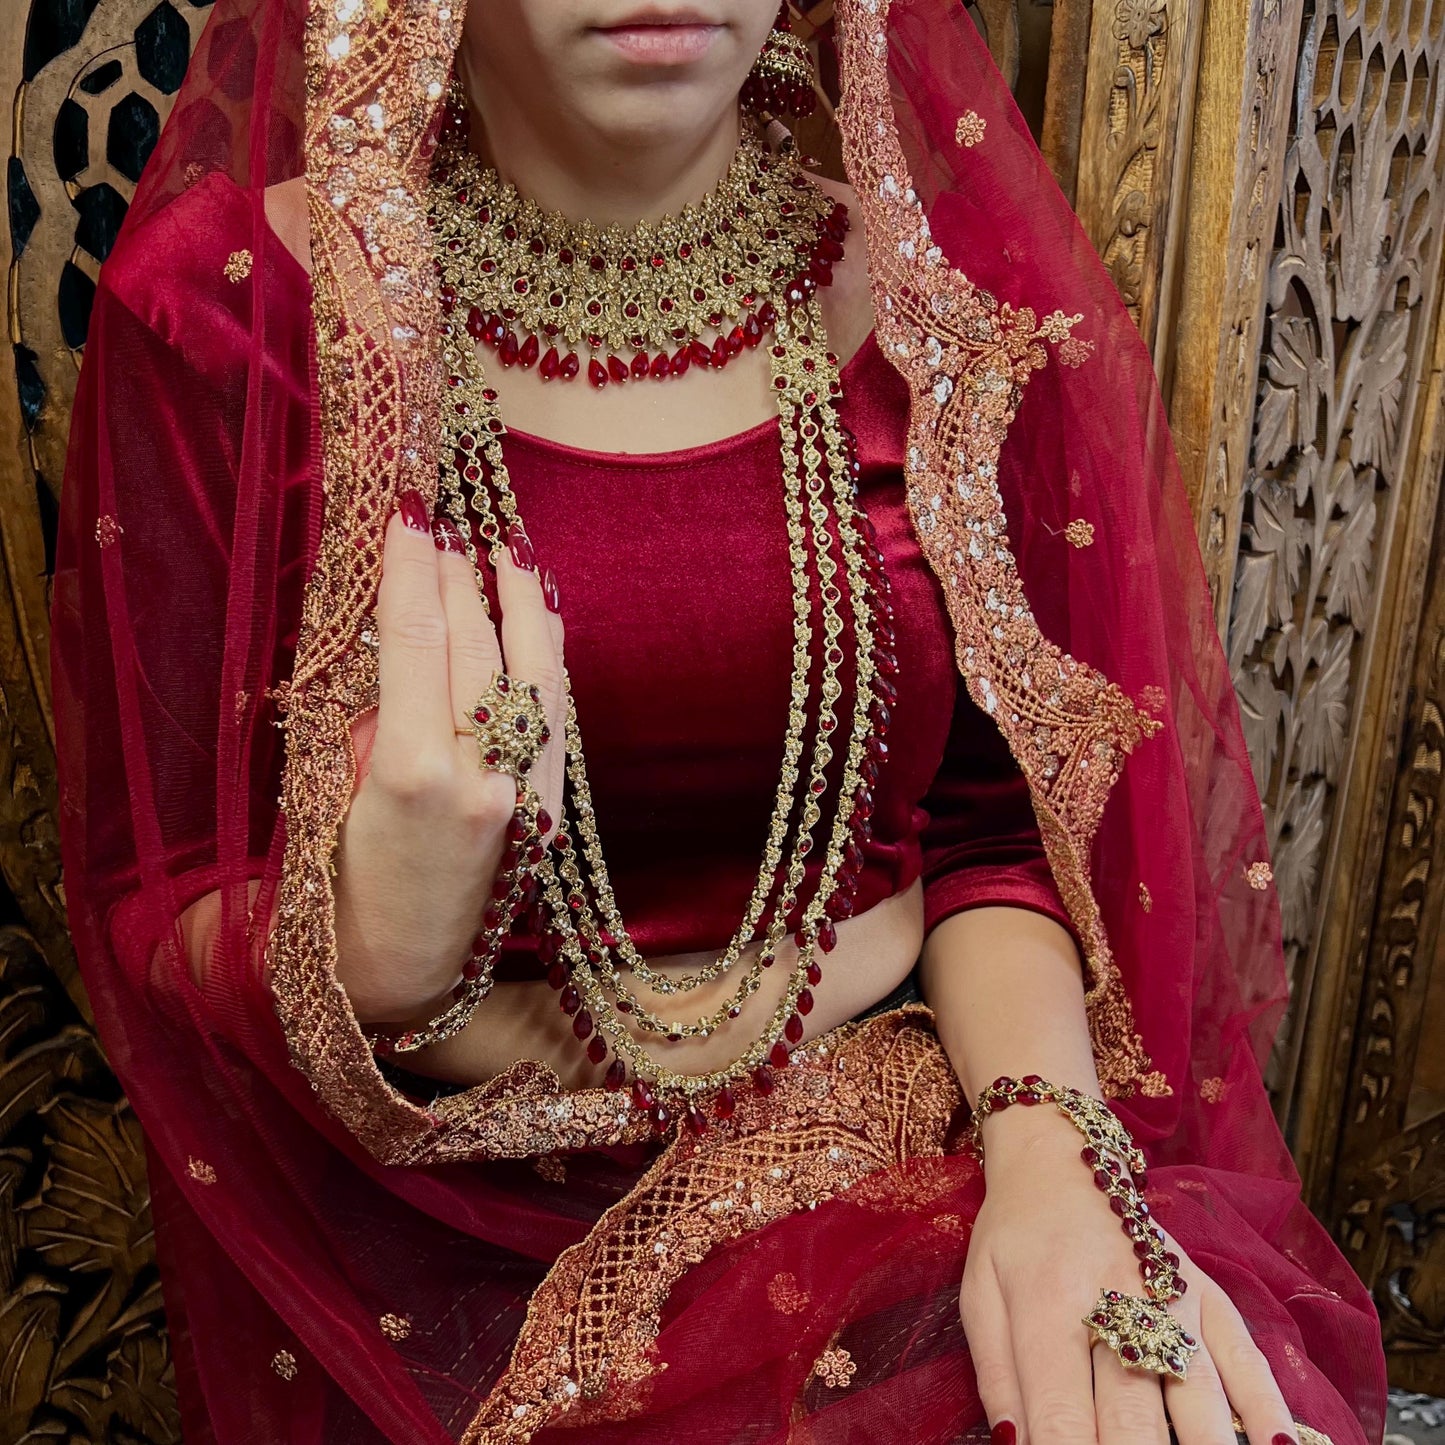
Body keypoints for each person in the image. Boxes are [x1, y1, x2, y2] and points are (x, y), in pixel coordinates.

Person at [50, 0, 1387, 1441]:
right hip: (411, 1239)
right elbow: (153, 889)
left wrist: (1056, 1178)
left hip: (897, 1150)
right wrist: (371, 950)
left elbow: (999, 834)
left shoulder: (943, 302)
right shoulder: (237, 302)